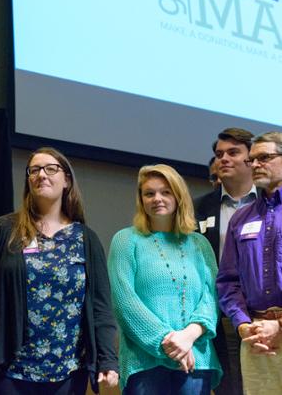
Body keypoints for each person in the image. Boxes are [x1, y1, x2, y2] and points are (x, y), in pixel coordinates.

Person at [0, 147, 118, 395]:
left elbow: (101, 307)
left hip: (69, 372)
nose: (41, 175)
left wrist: (108, 360)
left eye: (51, 168)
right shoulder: (4, 229)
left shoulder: (86, 239)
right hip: (12, 370)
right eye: (34, 170)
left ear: (67, 180)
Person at [109, 164, 222, 394]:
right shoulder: (126, 240)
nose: (157, 198)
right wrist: (171, 343)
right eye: (149, 193)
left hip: (196, 356)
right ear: (141, 200)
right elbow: (125, 302)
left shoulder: (200, 244)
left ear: (178, 196)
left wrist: (189, 336)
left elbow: (211, 297)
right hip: (145, 361)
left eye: (165, 192)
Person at [217, 131, 282, 394]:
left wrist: (279, 327)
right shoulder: (241, 218)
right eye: (252, 160)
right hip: (256, 339)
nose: (255, 165)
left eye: (264, 158)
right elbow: (228, 281)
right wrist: (244, 325)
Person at [194, 127, 257, 395]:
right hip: (219, 316)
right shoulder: (198, 208)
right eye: (220, 154)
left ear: (251, 160)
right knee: (229, 388)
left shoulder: (272, 204)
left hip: (266, 313)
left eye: (233, 152)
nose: (224, 159)